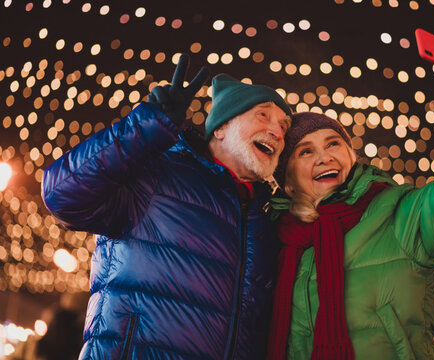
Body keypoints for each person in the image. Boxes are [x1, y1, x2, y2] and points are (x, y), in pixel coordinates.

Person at [265, 33, 434, 359]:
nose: (324, 157)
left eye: (333, 144)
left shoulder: (398, 214)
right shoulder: (271, 238)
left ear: (351, 157)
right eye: (306, 151)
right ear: (288, 181)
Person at [41, 55, 292, 359]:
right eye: (263, 116)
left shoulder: (266, 220)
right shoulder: (157, 173)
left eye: (283, 125)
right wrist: (146, 125)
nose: (277, 132)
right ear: (222, 127)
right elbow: (62, 195)